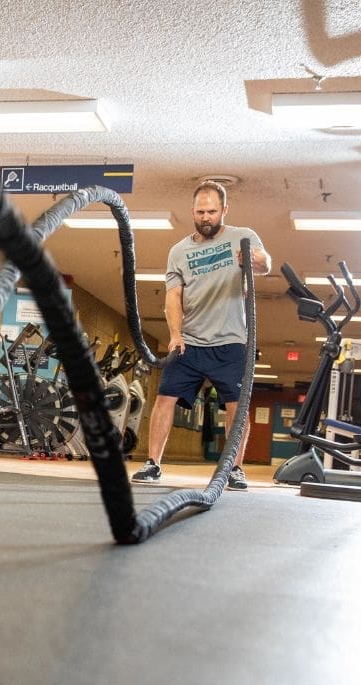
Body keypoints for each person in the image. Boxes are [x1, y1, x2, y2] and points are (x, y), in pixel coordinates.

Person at [131, 180, 271, 489]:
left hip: (231, 340)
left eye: (212, 211)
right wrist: (174, 334)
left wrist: (252, 260)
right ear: (192, 211)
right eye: (200, 211)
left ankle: (233, 469)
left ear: (224, 210)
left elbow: (265, 265)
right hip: (190, 341)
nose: (205, 217)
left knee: (237, 406)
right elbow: (172, 297)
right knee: (164, 398)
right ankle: (153, 463)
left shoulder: (243, 237)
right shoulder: (179, 251)